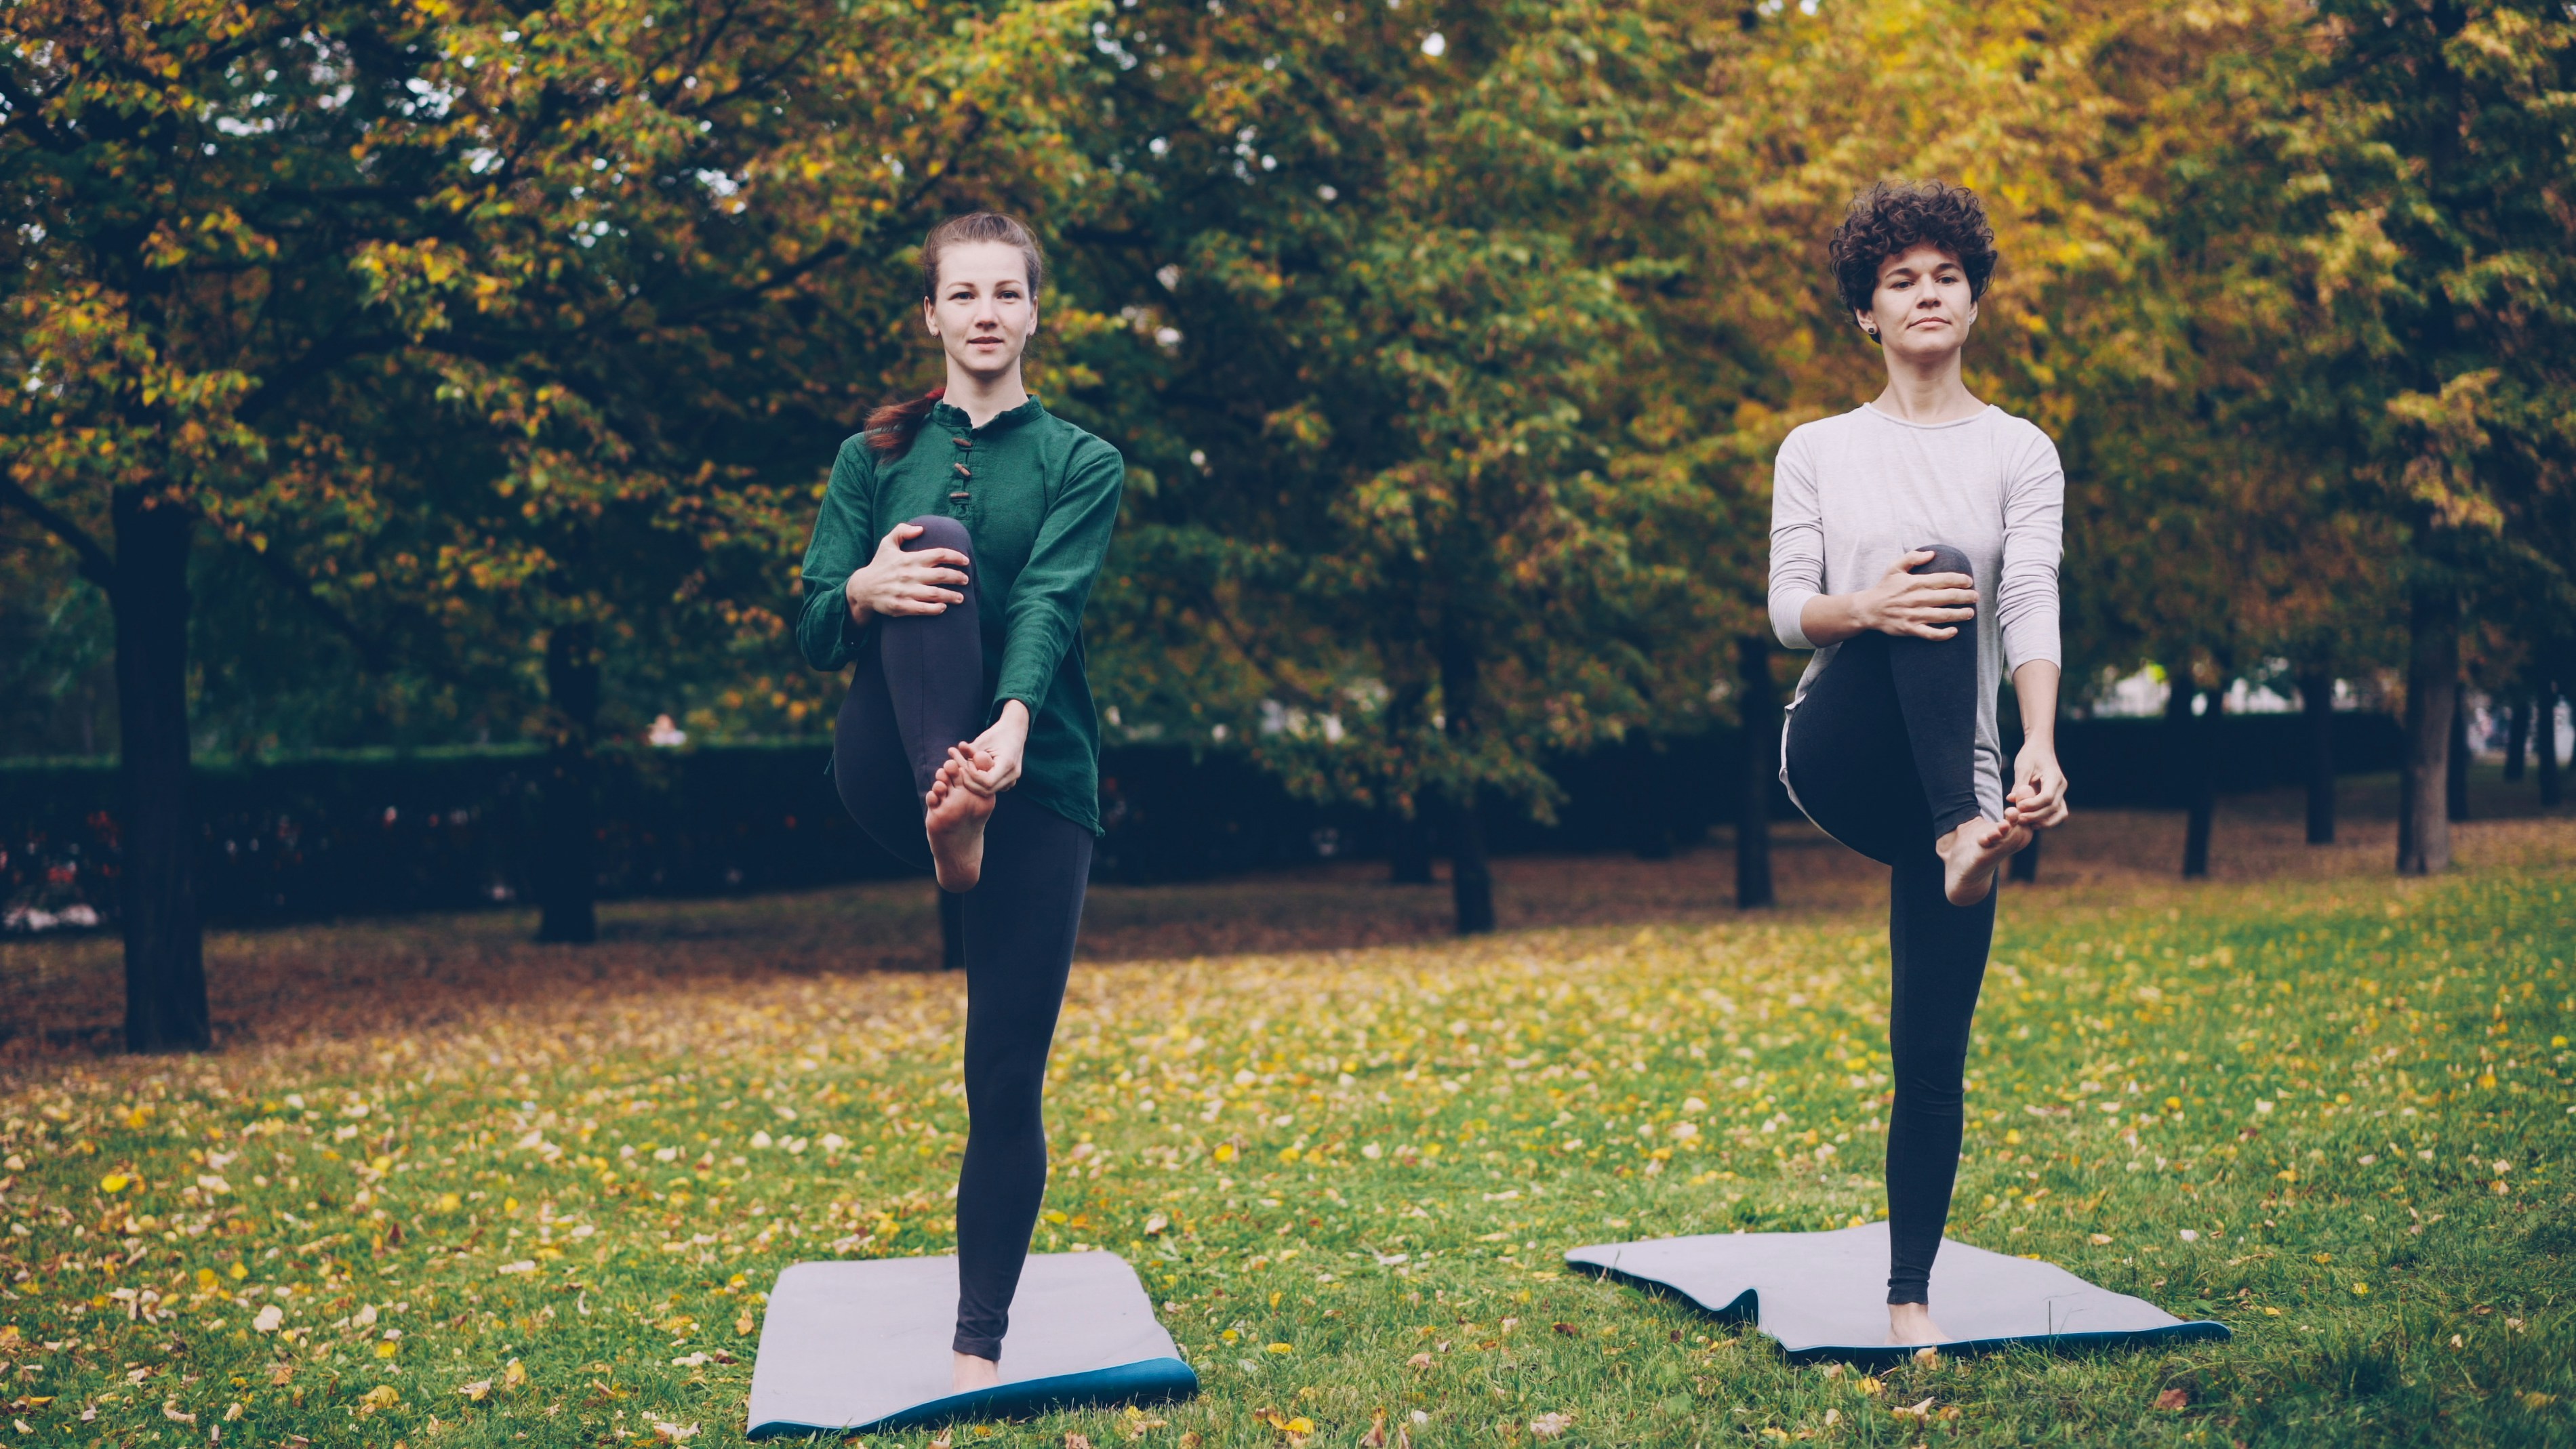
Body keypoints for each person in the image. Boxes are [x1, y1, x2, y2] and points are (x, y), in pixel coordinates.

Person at [794, 212, 1123, 1391]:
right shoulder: (870, 456)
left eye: (1007, 293)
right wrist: (867, 587)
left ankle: (976, 1339)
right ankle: (949, 823)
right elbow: (812, 623)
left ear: (1036, 313)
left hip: (1037, 789)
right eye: (963, 294)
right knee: (924, 540)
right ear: (931, 317)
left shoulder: (1084, 462)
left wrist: (1015, 729)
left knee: (1004, 1074)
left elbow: (1048, 603)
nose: (986, 312)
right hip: (892, 764)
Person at [1767, 180, 2069, 1345]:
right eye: (1902, 279)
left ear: (1974, 300)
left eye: (1947, 275)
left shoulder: (2021, 449)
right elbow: (1789, 610)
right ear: (1869, 314)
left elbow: (2032, 598)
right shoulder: (1820, 448)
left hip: (1970, 781)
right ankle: (1958, 834)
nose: (1927, 293)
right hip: (1840, 749)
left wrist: (2037, 746)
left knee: (1931, 1045)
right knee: (1934, 565)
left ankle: (1908, 1301)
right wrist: (1869, 602)